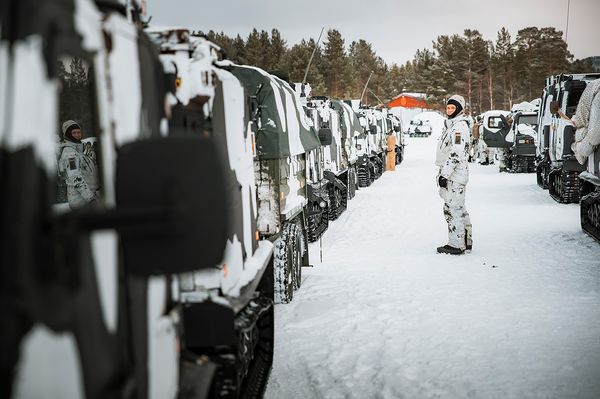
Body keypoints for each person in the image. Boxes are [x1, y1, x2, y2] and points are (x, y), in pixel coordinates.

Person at [435, 95, 472, 255]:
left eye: (453, 108)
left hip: (454, 175)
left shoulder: (458, 127)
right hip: (455, 174)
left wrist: (445, 175)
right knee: (460, 208)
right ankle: (466, 240)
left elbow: (457, 153)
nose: (449, 110)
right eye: (448, 107)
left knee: (452, 209)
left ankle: (456, 245)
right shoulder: (452, 125)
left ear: (459, 109)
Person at [58, 120, 99, 208]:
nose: (77, 135)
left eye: (78, 132)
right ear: (68, 134)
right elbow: (75, 178)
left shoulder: (79, 151)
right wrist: (90, 198)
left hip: (88, 197)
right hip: (81, 201)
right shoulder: (69, 153)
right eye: (74, 133)